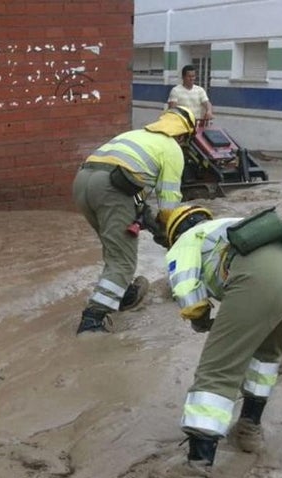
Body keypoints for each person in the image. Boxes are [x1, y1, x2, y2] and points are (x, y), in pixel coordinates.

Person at [147, 205, 282, 478]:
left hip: (265, 278)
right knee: (267, 355)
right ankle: (248, 431)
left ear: (173, 233)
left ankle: (195, 470)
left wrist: (202, 321)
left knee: (218, 370)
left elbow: (187, 292)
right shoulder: (231, 226)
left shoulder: (186, 240)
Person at [72, 106, 196, 334]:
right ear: (183, 135)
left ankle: (122, 293)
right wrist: (173, 236)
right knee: (123, 260)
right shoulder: (172, 148)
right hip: (111, 189)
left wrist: (151, 224)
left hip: (82, 182)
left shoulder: (136, 135)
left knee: (115, 247)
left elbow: (136, 199)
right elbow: (168, 206)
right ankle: (93, 319)